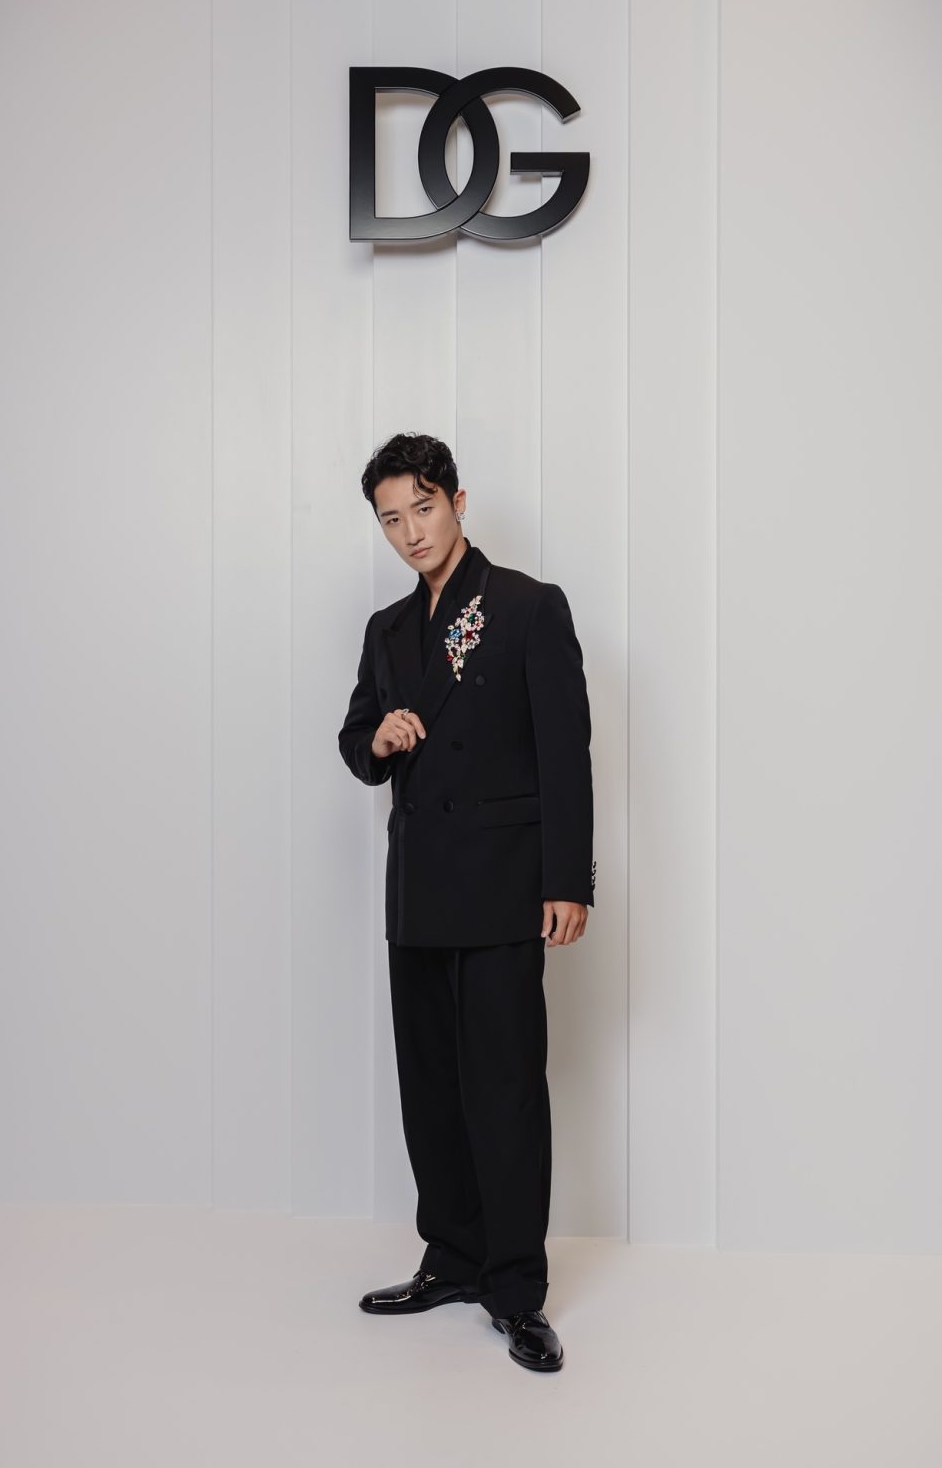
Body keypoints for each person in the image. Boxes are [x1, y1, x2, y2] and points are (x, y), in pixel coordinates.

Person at [337, 432, 595, 1373]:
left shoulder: (526, 605)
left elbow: (565, 752)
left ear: (457, 501)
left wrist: (566, 881)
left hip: (502, 887)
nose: (410, 531)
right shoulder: (386, 629)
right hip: (419, 888)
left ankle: (515, 1290)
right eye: (390, 519)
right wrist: (380, 739)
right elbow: (354, 737)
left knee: (504, 1089)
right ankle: (450, 1258)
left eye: (422, 508)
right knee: (431, 1088)